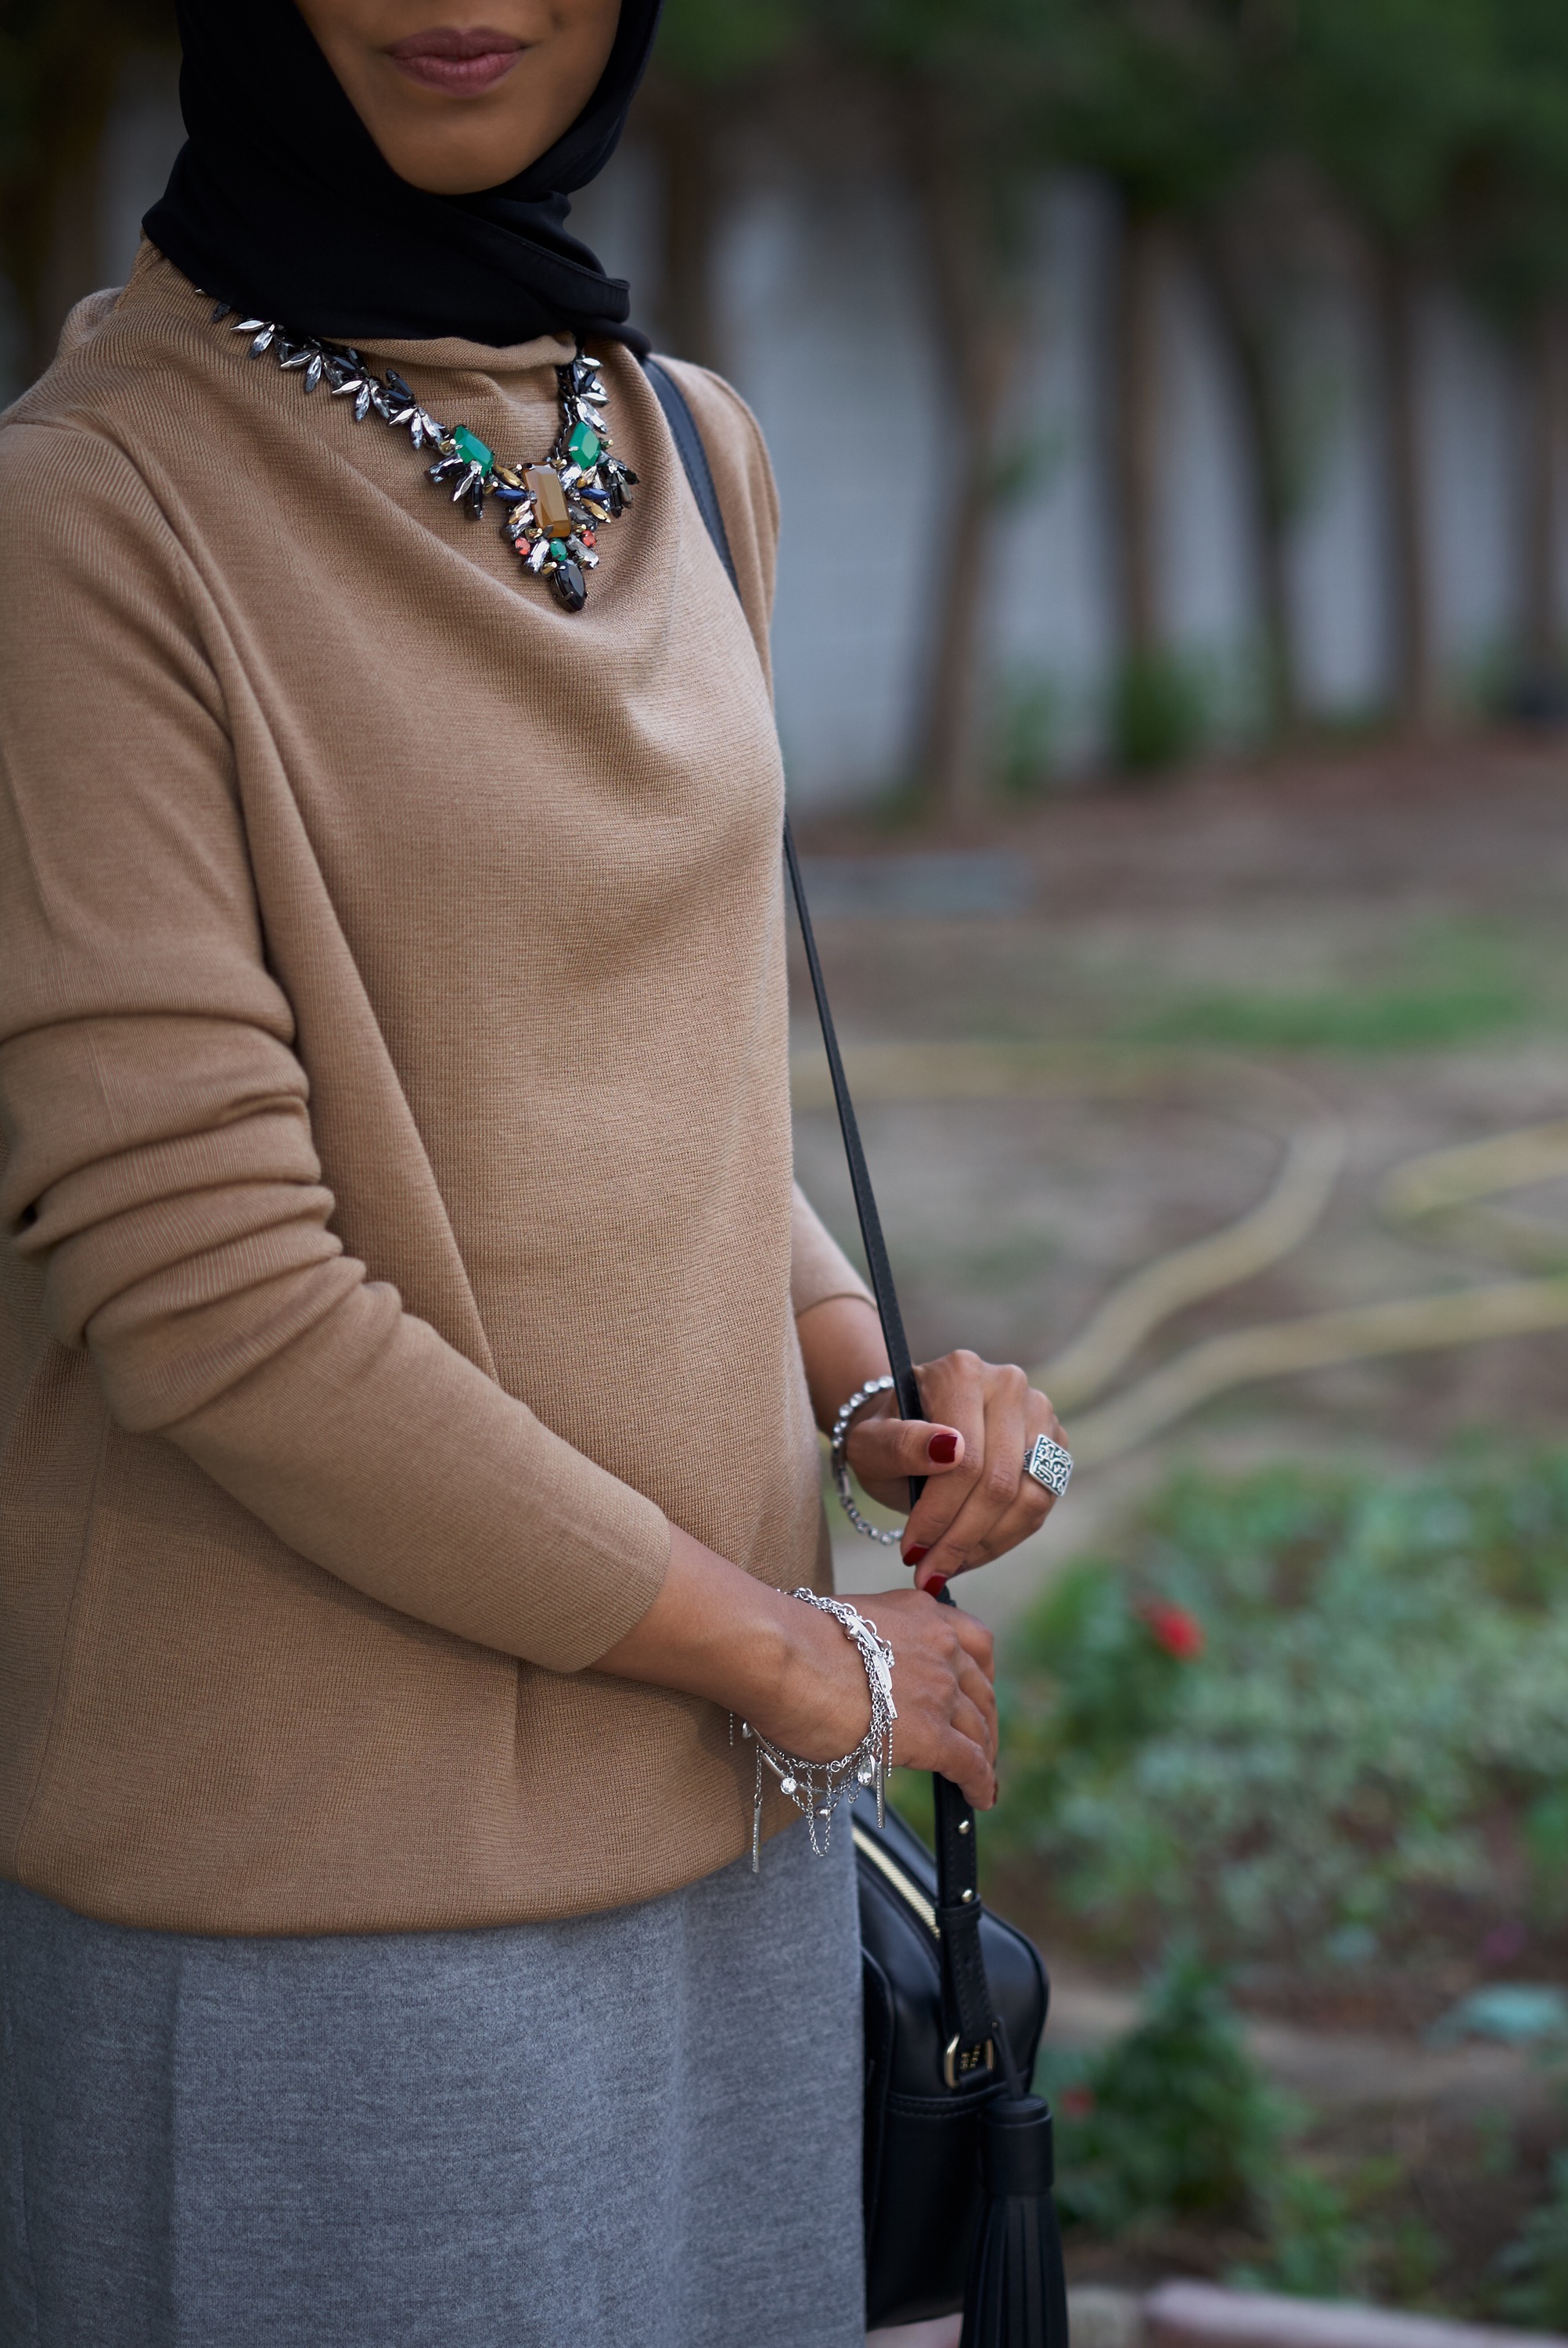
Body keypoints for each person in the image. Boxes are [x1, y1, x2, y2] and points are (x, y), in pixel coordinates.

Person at [0, 4, 1069, 2343]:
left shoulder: (688, 442)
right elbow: (207, 1295)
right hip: (329, 1894)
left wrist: (857, 1383)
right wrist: (803, 1661)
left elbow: (667, 1075)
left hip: (728, 1830)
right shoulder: (88, 518)